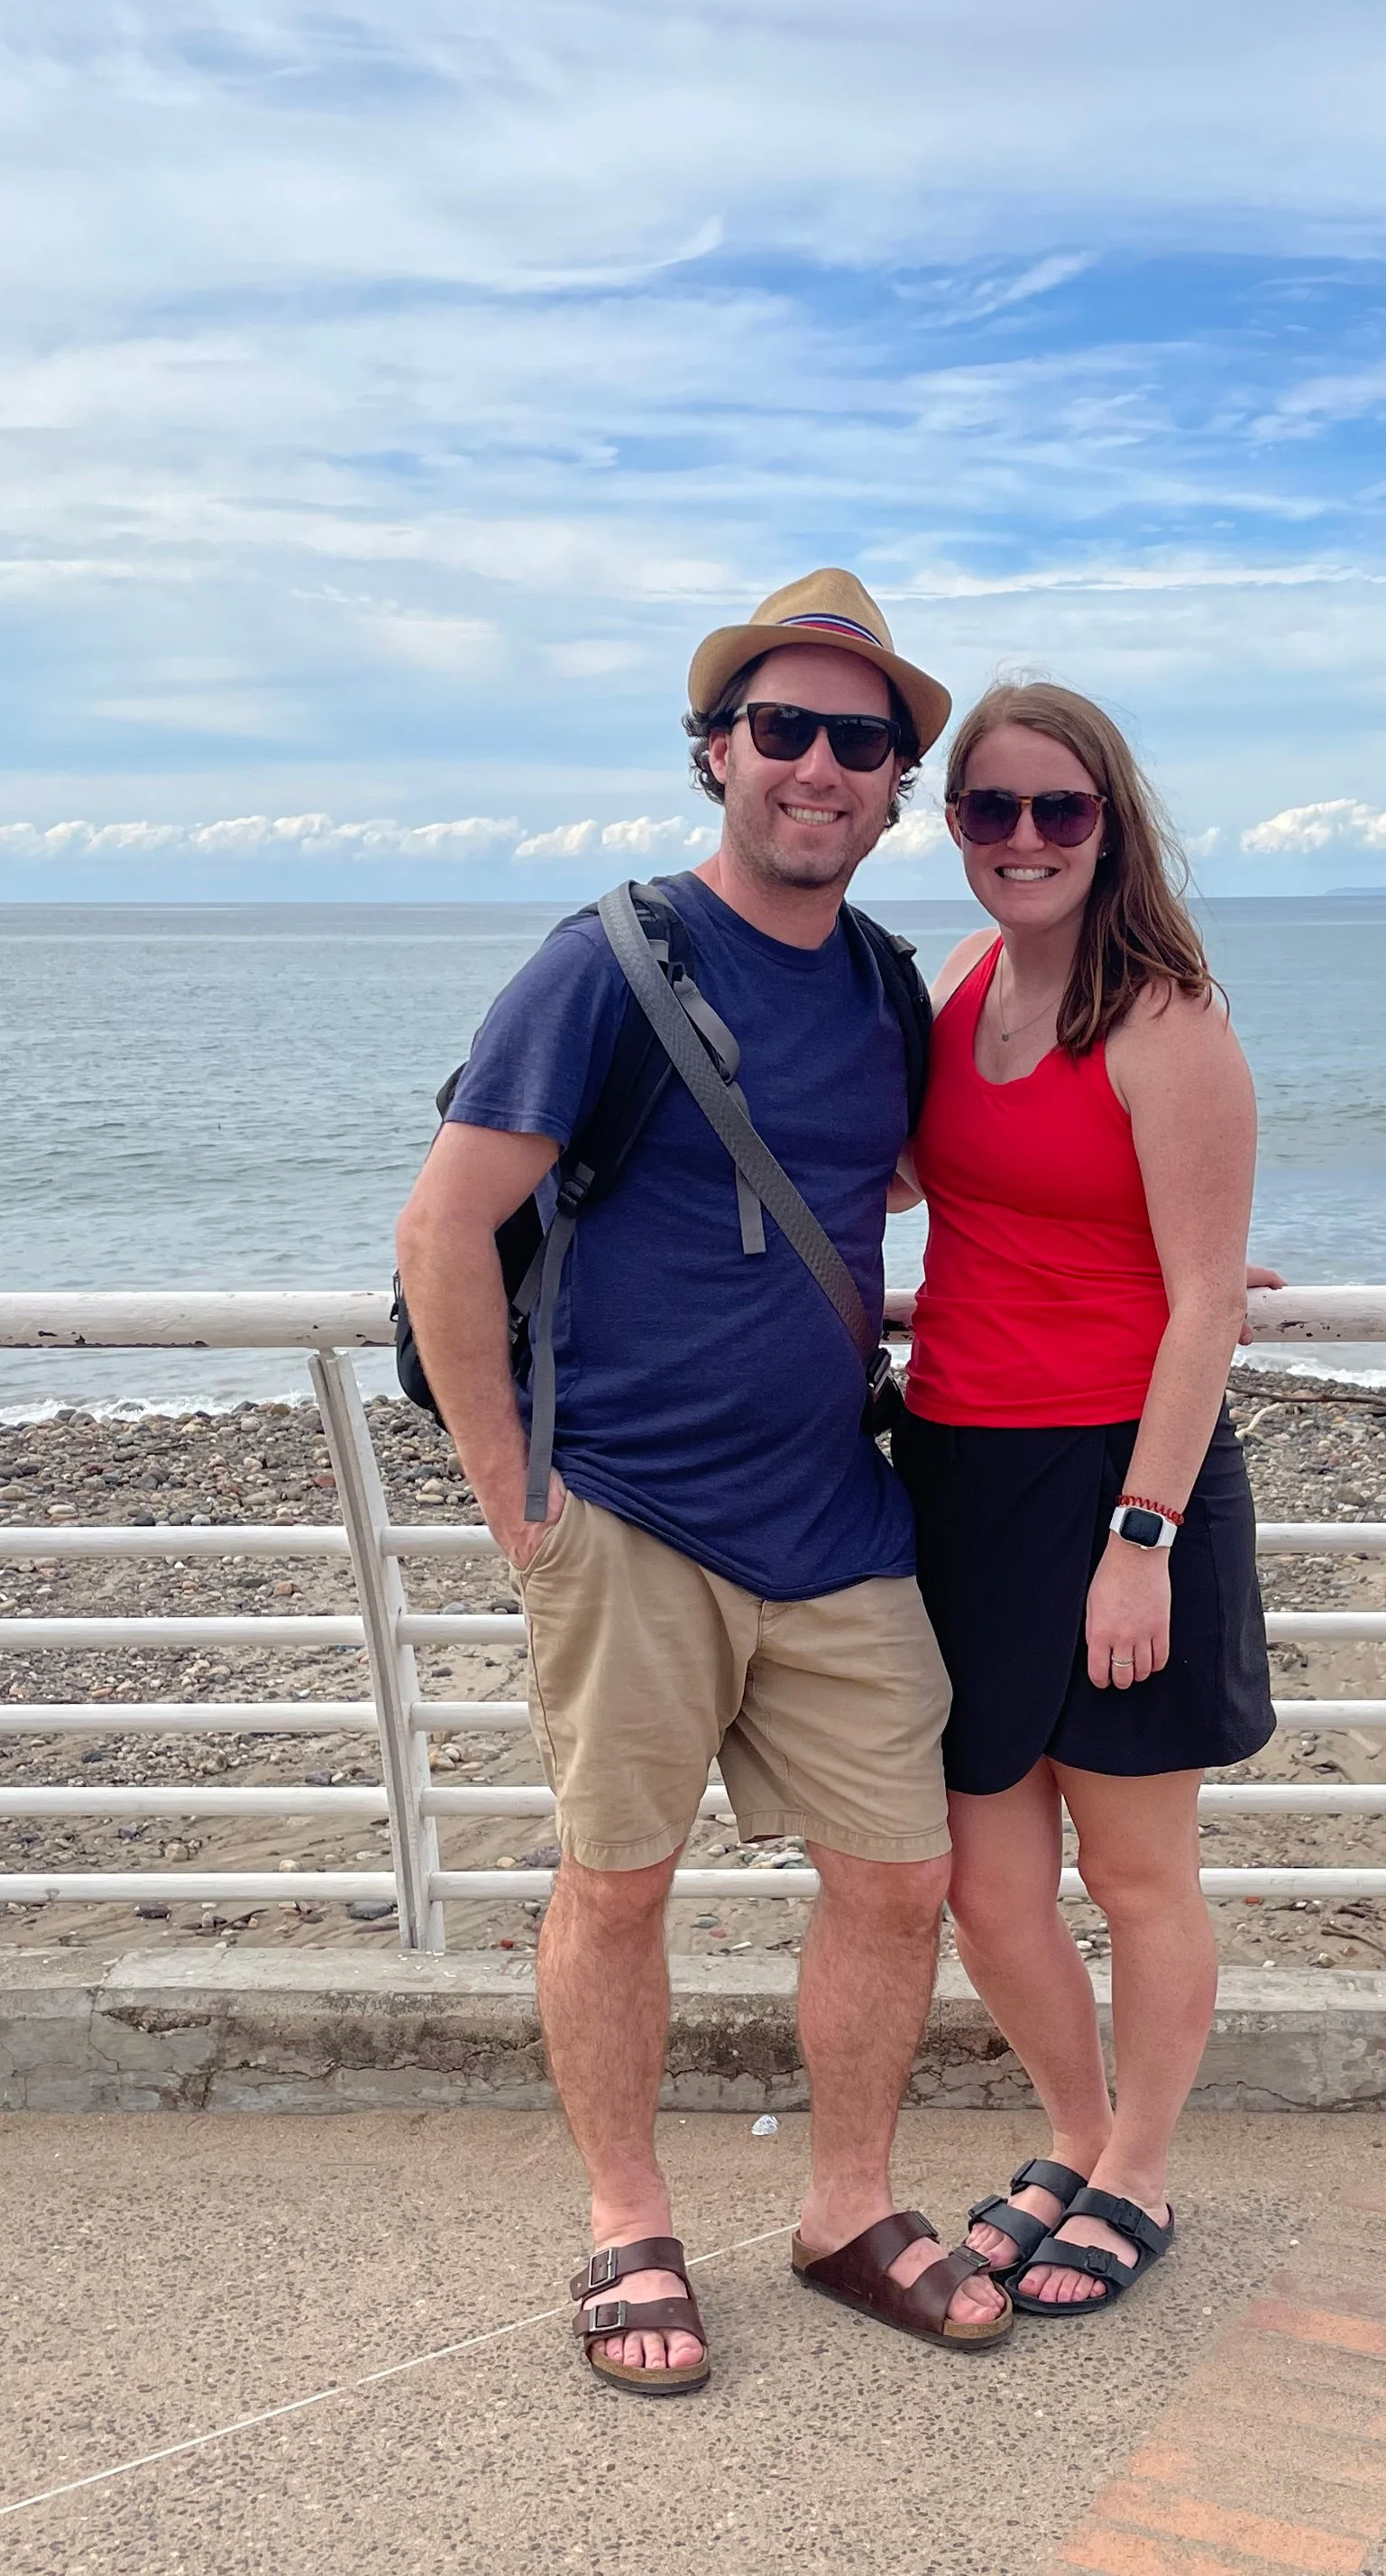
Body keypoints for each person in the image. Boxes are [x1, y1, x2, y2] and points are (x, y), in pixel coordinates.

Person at [395, 571, 1010, 2395]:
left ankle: (844, 2209)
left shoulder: (885, 984)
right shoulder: (604, 962)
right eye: (783, 728)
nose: (820, 765)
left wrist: (1168, 1262)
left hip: (834, 1517)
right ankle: (627, 2214)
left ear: (895, 785)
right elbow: (444, 1228)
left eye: (861, 741)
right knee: (618, 1883)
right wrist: (515, 1495)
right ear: (716, 752)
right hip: (629, 1516)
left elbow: (902, 1180)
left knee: (898, 1878)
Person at [889, 680, 1275, 2317]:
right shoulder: (957, 987)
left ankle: (1139, 2170)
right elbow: (910, 1175)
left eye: (1060, 808)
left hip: (1124, 1474)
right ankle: (1071, 2132)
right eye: (991, 809)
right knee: (985, 1881)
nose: (1025, 838)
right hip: (958, 1465)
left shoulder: (1164, 1019)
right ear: (954, 826)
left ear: (1109, 824)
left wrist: (1142, 1539)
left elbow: (1203, 1303)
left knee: (1132, 1870)